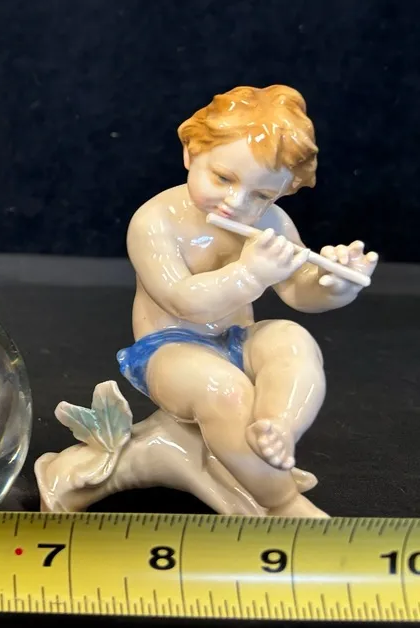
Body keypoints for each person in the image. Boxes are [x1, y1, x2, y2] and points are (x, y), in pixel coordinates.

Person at [118, 85, 378, 516]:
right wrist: (250, 273)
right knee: (224, 390)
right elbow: (183, 301)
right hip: (168, 350)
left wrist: (333, 284)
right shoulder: (154, 222)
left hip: (235, 339)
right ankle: (280, 501)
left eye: (261, 195)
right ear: (191, 153)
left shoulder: (271, 221)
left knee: (291, 339)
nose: (236, 203)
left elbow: (296, 290)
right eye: (223, 178)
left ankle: (276, 428)